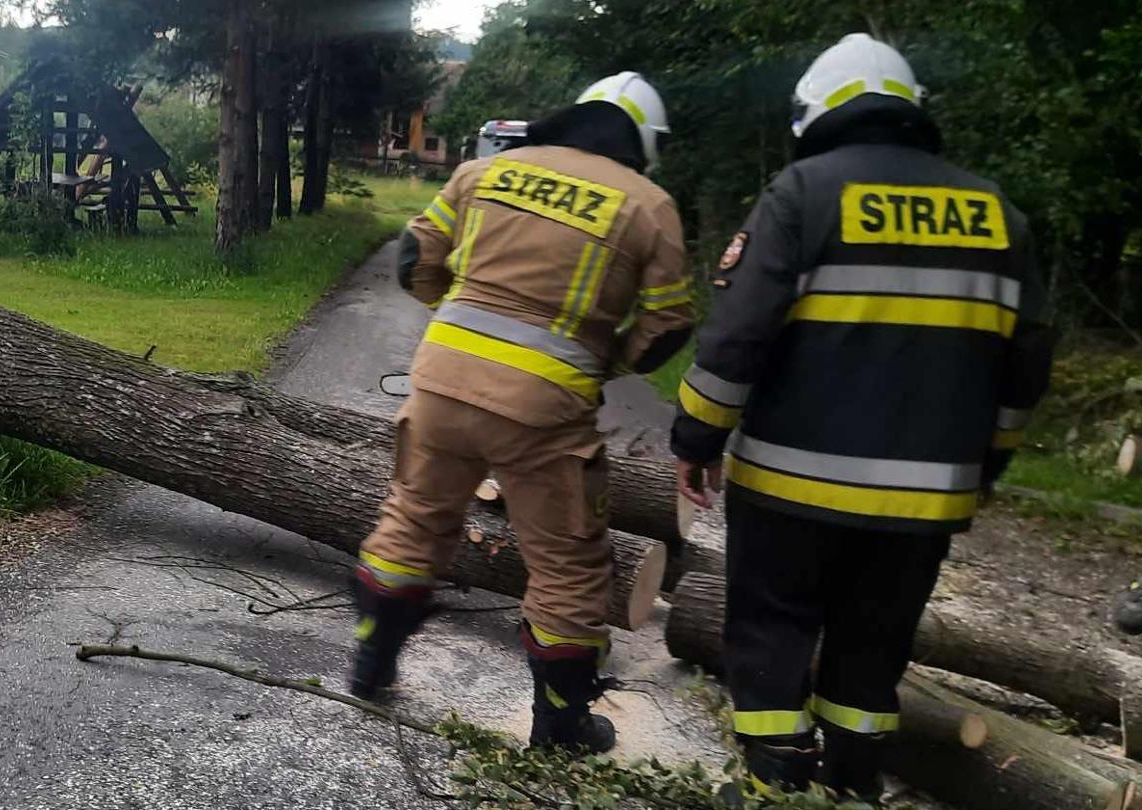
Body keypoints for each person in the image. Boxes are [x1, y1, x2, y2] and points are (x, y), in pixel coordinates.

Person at [671, 33, 1053, 800]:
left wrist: (697, 436)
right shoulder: (999, 216)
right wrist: (988, 465)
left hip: (791, 488)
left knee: (773, 631)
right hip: (925, 502)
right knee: (872, 648)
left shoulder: (803, 193)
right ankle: (851, 786)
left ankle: (777, 787)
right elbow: (1027, 367)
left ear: (816, 114)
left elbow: (739, 336)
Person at [350, 72, 695, 753]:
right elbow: (669, 324)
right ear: (643, 142)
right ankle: (562, 727)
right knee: (568, 564)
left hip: (441, 383)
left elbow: (415, 258)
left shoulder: (487, 171)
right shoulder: (648, 205)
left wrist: (458, 323)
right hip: (546, 407)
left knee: (413, 521)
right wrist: (604, 360)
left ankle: (371, 662)